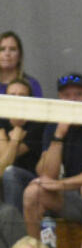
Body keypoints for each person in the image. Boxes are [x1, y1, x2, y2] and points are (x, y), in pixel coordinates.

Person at [21, 72, 82, 240]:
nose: (72, 100)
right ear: (60, 98)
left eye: (78, 95)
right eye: (67, 96)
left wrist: (60, 185)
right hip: (70, 196)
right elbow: (47, 175)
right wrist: (58, 136)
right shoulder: (54, 124)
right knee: (33, 192)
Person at [0, 78, 46, 230]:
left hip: (31, 181)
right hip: (4, 176)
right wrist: (16, 139)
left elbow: (8, 161)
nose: (17, 99)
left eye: (22, 95)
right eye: (12, 95)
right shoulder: (2, 120)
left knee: (10, 173)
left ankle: (15, 232)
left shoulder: (37, 123)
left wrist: (13, 139)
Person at [0, 31, 42, 96]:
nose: (7, 53)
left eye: (12, 49)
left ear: (19, 55)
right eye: (2, 49)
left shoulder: (32, 84)